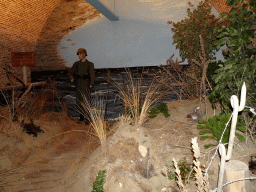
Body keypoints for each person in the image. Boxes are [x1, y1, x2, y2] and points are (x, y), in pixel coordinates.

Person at [68, 48, 95, 123]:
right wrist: (72, 78)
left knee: (86, 100)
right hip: (78, 84)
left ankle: (87, 118)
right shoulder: (76, 64)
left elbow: (92, 75)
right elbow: (70, 72)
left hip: (86, 84)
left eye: (80, 54)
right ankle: (81, 117)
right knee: (79, 100)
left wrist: (91, 83)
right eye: (78, 54)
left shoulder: (89, 64)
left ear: (84, 54)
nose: (79, 56)